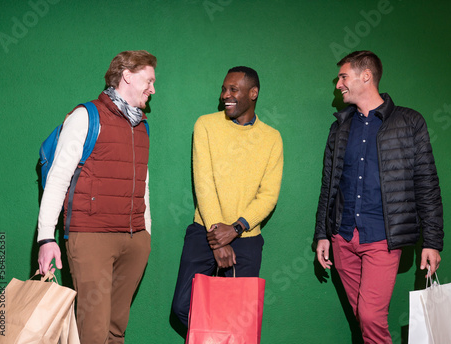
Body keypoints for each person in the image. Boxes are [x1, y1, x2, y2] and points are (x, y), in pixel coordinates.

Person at [314, 51, 444, 343]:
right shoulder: (339, 128)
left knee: (371, 317)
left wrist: (432, 241)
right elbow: (329, 186)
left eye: (343, 76)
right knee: (363, 317)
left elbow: (427, 184)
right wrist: (323, 234)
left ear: (366, 76)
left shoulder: (410, 122)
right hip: (342, 238)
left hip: (383, 239)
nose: (338, 84)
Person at [36, 50, 156, 344]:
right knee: (93, 330)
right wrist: (45, 238)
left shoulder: (141, 126)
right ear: (127, 76)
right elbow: (58, 180)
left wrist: (146, 232)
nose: (153, 89)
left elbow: (144, 183)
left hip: (134, 240)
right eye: (149, 81)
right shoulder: (85, 116)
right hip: (91, 237)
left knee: (117, 328)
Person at [171, 66, 284, 326]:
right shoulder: (206, 125)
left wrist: (236, 228)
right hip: (205, 231)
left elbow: (268, 195)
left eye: (233, 89)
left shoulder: (271, 138)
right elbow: (204, 183)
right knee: (182, 307)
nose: (225, 95)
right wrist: (218, 239)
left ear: (253, 93)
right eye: (224, 89)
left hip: (245, 237)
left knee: (237, 320)